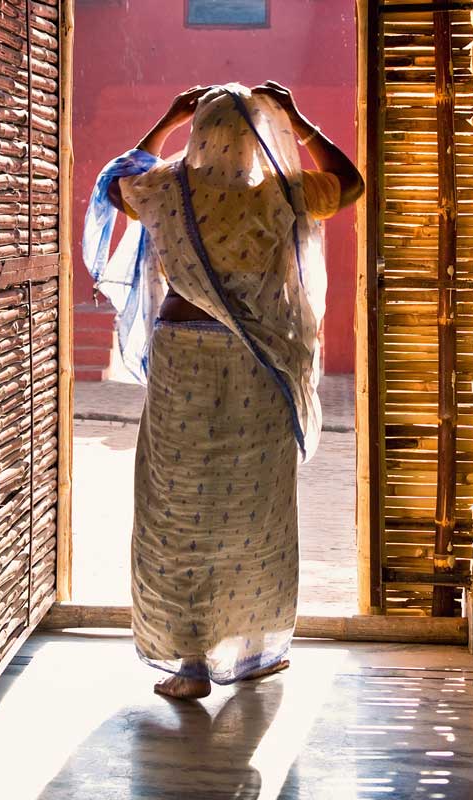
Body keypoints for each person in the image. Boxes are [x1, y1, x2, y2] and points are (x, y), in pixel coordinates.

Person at [82, 81, 364, 699]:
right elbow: (351, 183)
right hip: (257, 363)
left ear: (199, 136)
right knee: (253, 508)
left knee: (176, 507)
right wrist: (298, 118)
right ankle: (254, 648)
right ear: (259, 138)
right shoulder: (285, 192)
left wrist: (164, 119)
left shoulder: (165, 191)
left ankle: (187, 663)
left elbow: (113, 180)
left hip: (184, 358)